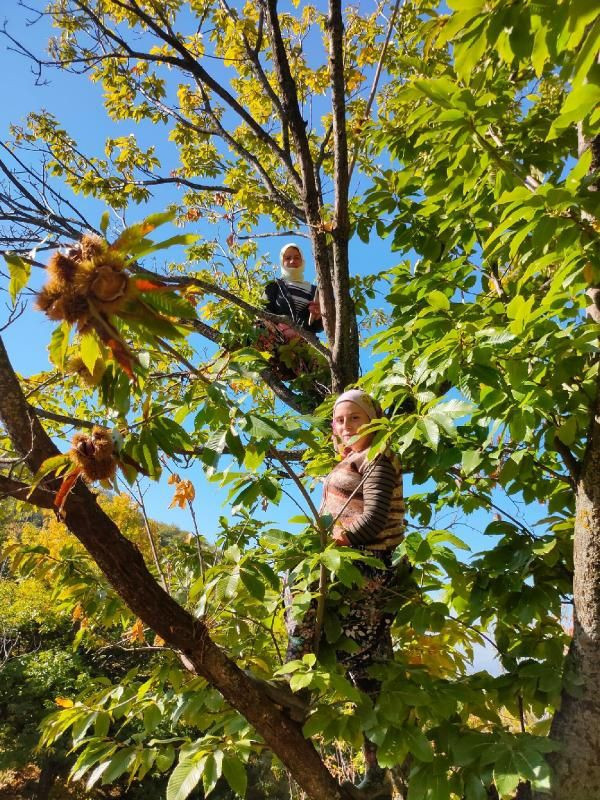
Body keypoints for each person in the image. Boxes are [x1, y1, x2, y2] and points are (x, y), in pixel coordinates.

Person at [285, 389, 408, 799]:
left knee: (303, 594)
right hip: (352, 562)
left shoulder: (379, 457)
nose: (345, 426)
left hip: (363, 565)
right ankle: (376, 778)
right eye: (339, 420)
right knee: (371, 674)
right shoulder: (351, 460)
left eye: (354, 417)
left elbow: (373, 520)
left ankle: (294, 689)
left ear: (374, 417)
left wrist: (337, 538)